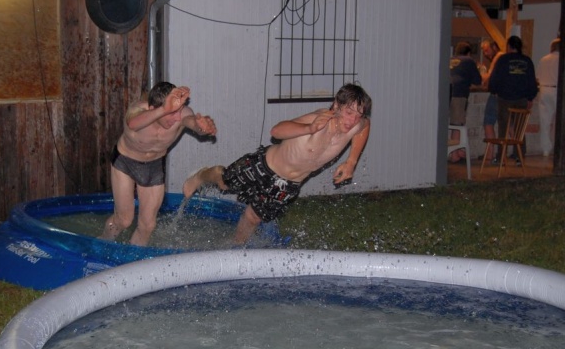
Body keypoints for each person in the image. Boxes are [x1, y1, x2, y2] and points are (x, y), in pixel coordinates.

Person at [183, 83, 371, 244]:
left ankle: (235, 247)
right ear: (336, 105)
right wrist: (309, 128)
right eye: (348, 112)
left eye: (358, 115)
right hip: (263, 165)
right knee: (224, 182)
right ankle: (201, 176)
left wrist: (351, 162)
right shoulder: (319, 119)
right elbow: (277, 131)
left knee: (254, 217)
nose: (352, 120)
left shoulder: (356, 124)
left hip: (289, 184)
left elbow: (365, 126)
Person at [101, 82, 217, 246]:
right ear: (153, 109)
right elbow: (132, 123)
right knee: (124, 220)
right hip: (125, 162)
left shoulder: (182, 114)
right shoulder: (138, 110)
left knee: (148, 225)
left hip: (153, 166)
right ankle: (102, 243)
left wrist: (201, 126)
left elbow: (190, 121)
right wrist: (164, 109)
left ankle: (134, 257)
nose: (177, 118)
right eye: (171, 113)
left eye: (179, 111)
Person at [488, 35, 539, 164]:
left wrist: (493, 90)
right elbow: (532, 82)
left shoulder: (503, 60)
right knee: (519, 129)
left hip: (504, 99)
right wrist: (530, 97)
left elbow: (495, 78)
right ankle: (519, 156)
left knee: (503, 129)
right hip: (521, 99)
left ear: (509, 46)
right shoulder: (527, 61)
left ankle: (501, 157)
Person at [448, 41, 482, 162]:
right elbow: (478, 80)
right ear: (468, 53)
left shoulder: (450, 59)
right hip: (459, 93)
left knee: (452, 124)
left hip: (446, 93)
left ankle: (456, 151)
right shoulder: (469, 61)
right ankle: (454, 155)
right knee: (457, 124)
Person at [536, 38, 561, 156]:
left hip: (544, 89)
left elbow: (538, 77)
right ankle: (558, 147)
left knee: (545, 121)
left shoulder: (543, 59)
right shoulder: (564, 59)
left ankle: (546, 149)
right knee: (559, 121)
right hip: (557, 90)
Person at [479, 39, 503, 153]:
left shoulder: (498, 57)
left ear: (494, 47)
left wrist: (481, 76)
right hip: (505, 95)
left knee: (488, 122)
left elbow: (489, 76)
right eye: (484, 51)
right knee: (510, 125)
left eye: (487, 50)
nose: (485, 54)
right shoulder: (504, 57)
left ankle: (490, 153)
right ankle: (518, 152)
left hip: (496, 95)